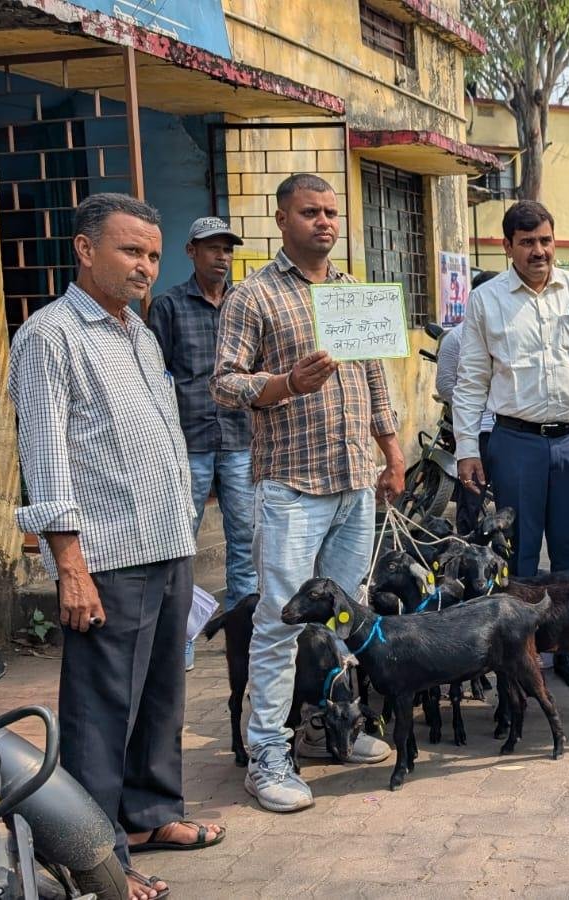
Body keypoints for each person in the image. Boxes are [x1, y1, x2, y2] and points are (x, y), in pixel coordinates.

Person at [8, 193, 223, 900]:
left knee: (161, 694)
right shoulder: (50, 336)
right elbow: (46, 458)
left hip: (165, 540)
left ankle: (151, 816)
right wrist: (70, 565)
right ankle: (96, 859)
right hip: (106, 555)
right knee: (101, 713)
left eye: (153, 255)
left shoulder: (139, 332)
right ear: (85, 249)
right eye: (131, 250)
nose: (145, 267)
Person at [213, 173, 400, 813]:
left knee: (349, 618)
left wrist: (391, 453)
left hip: (354, 483)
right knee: (278, 622)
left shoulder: (351, 292)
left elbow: (374, 379)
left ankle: (335, 726)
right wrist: (287, 383)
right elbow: (224, 384)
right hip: (292, 486)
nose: (324, 222)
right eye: (309, 212)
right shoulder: (253, 295)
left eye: (330, 212)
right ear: (281, 219)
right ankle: (268, 753)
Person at [452, 201, 569, 688]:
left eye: (545, 240)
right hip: (515, 442)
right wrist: (467, 448)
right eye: (527, 243)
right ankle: (520, 655)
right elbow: (471, 379)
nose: (539, 251)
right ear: (508, 247)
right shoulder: (487, 301)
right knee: (519, 555)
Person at [147, 217, 256, 673]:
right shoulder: (168, 306)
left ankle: (243, 636)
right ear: (191, 251)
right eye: (212, 248)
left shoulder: (245, 303)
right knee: (181, 543)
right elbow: (155, 375)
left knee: (245, 542)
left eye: (227, 249)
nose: (222, 257)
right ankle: (181, 638)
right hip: (188, 439)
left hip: (241, 437)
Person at [434, 323, 492, 535]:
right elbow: (445, 385)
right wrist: (471, 404)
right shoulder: (456, 338)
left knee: (513, 501)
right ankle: (466, 545)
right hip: (476, 430)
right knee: (471, 498)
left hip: (512, 430)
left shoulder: (508, 330)